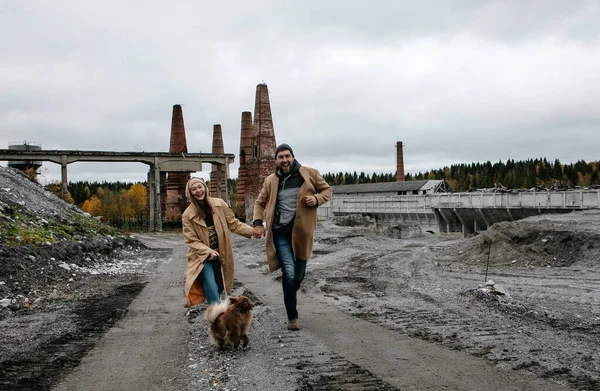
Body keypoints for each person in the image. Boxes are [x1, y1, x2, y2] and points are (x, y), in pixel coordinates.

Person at [252, 143, 332, 330]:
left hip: (302, 234)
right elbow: (259, 202)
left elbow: (327, 190)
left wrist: (317, 199)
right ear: (276, 161)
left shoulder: (309, 174)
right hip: (280, 233)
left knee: (298, 276)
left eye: (287, 156)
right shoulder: (271, 180)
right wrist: (257, 222)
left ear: (293, 157)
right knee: (288, 272)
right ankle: (292, 317)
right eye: (280, 157)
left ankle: (290, 294)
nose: (285, 160)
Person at [182, 177, 254, 307]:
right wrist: (208, 251)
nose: (198, 191)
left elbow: (234, 224)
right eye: (194, 189)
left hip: (222, 253)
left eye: (200, 187)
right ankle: (217, 318)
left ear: (205, 187)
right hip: (202, 257)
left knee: (221, 285)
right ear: (190, 193)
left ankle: (214, 308)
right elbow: (191, 240)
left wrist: (252, 231)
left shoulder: (219, 204)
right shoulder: (187, 215)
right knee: (211, 285)